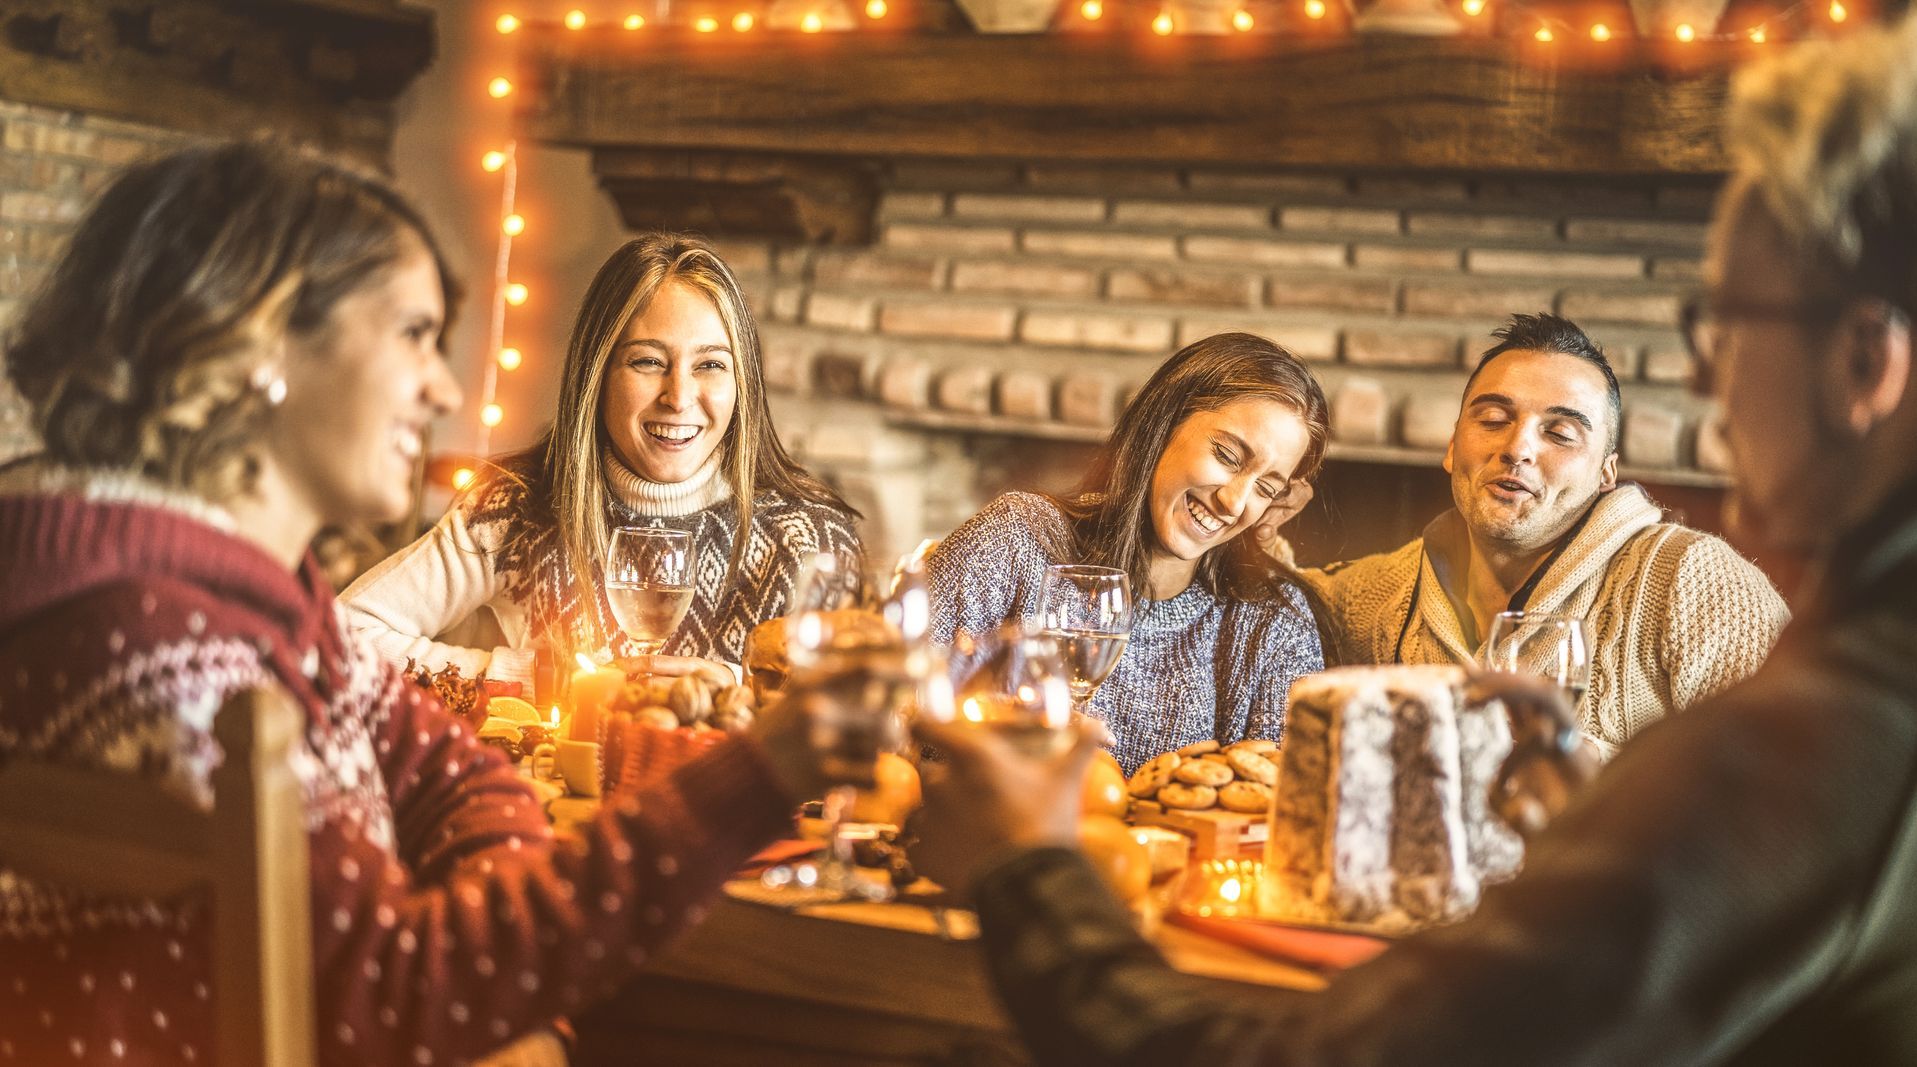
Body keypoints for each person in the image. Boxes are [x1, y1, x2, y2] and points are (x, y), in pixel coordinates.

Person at [910, 13, 1917, 1065]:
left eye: (1723, 325)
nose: (1708, 380)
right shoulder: (1361, 596)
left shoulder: (1809, 735)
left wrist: (1029, 866)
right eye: (1491, 414)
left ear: (1861, 365)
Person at [0, 142, 833, 1067]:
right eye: (412, 335)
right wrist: (760, 774)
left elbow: (455, 777)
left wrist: (500, 987)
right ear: (262, 350)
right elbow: (404, 1001)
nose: (443, 388)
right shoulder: (175, 662)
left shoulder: (258, 597)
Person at [341, 233, 863, 694]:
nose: (679, 396)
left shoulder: (809, 537)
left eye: (710, 364)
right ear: (598, 373)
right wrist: (532, 680)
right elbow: (342, 636)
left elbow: (853, 714)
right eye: (648, 362)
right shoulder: (515, 508)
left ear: (741, 383)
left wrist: (736, 686)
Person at [1277, 312, 1786, 755]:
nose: (1517, 447)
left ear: (1606, 474)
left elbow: (1802, 785)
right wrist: (1257, 520)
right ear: (1453, 447)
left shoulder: (1695, 583)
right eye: (1494, 419)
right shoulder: (1376, 596)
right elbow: (1271, 599)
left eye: (1560, 433)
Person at [924, 333, 1327, 775]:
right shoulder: (1017, 539)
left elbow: (1282, 807)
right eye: (1228, 456)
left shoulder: (1272, 622)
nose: (1234, 502)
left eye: (1266, 488)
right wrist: (996, 751)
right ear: (1164, 422)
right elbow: (883, 709)